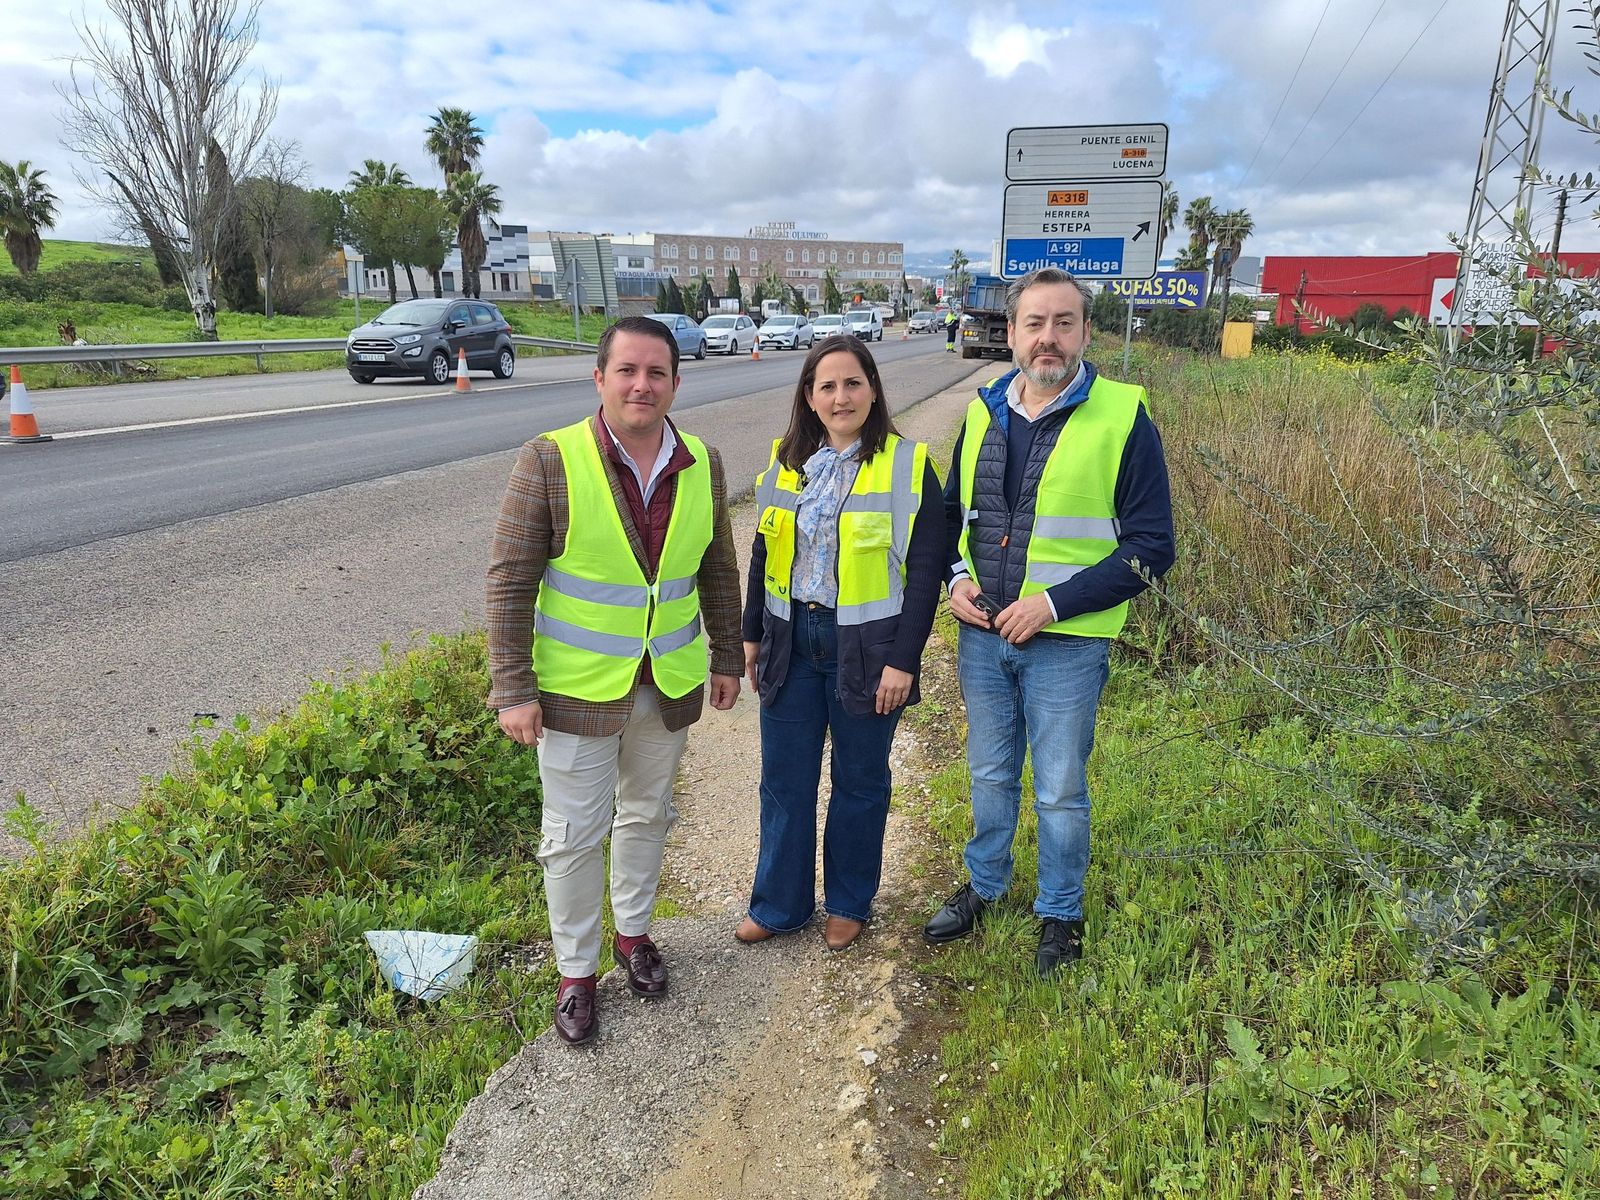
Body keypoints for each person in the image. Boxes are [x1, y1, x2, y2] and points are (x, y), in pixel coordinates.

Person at [487, 315, 743, 1046]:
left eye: (656, 372)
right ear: (599, 378)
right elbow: (509, 580)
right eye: (626, 370)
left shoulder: (702, 460)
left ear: (675, 382)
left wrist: (727, 656)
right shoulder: (549, 459)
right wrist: (514, 687)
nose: (642, 384)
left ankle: (634, 938)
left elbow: (718, 569)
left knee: (648, 815)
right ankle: (576, 971)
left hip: (664, 684)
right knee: (570, 835)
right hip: (574, 691)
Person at [922, 268, 1174, 977]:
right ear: (1012, 334)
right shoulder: (984, 410)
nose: (1048, 338)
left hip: (1066, 642)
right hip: (983, 634)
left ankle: (1060, 914)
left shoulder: (1123, 416)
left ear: (1087, 333)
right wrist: (957, 580)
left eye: (1065, 323)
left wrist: (1053, 603)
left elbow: (1153, 548)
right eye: (1035, 323)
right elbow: (952, 518)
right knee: (990, 772)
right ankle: (987, 885)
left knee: (1060, 787)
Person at [734, 335, 945, 951]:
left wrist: (904, 661)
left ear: (873, 389)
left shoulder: (907, 466)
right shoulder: (787, 463)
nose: (840, 395)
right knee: (784, 780)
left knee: (859, 781)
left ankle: (849, 900)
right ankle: (779, 904)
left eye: (852, 382)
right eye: (826, 385)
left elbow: (927, 570)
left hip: (868, 648)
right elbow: (762, 549)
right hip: (792, 640)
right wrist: (752, 632)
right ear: (809, 396)